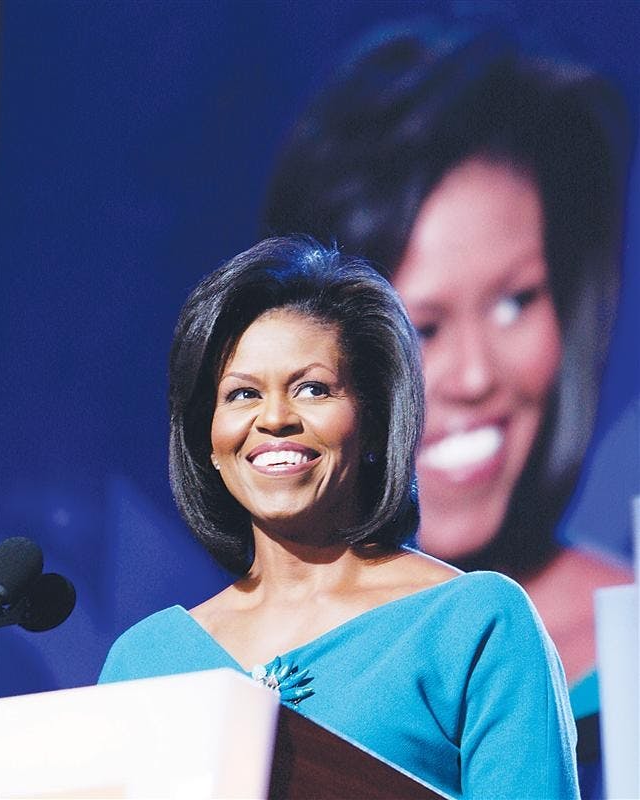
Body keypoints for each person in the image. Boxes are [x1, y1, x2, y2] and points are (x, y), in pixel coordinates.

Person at [261, 27, 633, 787]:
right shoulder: (240, 663)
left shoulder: (624, 643)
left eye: (514, 303)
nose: (472, 376)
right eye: (420, 329)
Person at [100, 237, 578, 799]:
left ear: (374, 423)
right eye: (241, 394)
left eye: (312, 388)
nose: (275, 418)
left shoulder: (474, 624)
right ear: (207, 439)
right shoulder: (145, 659)